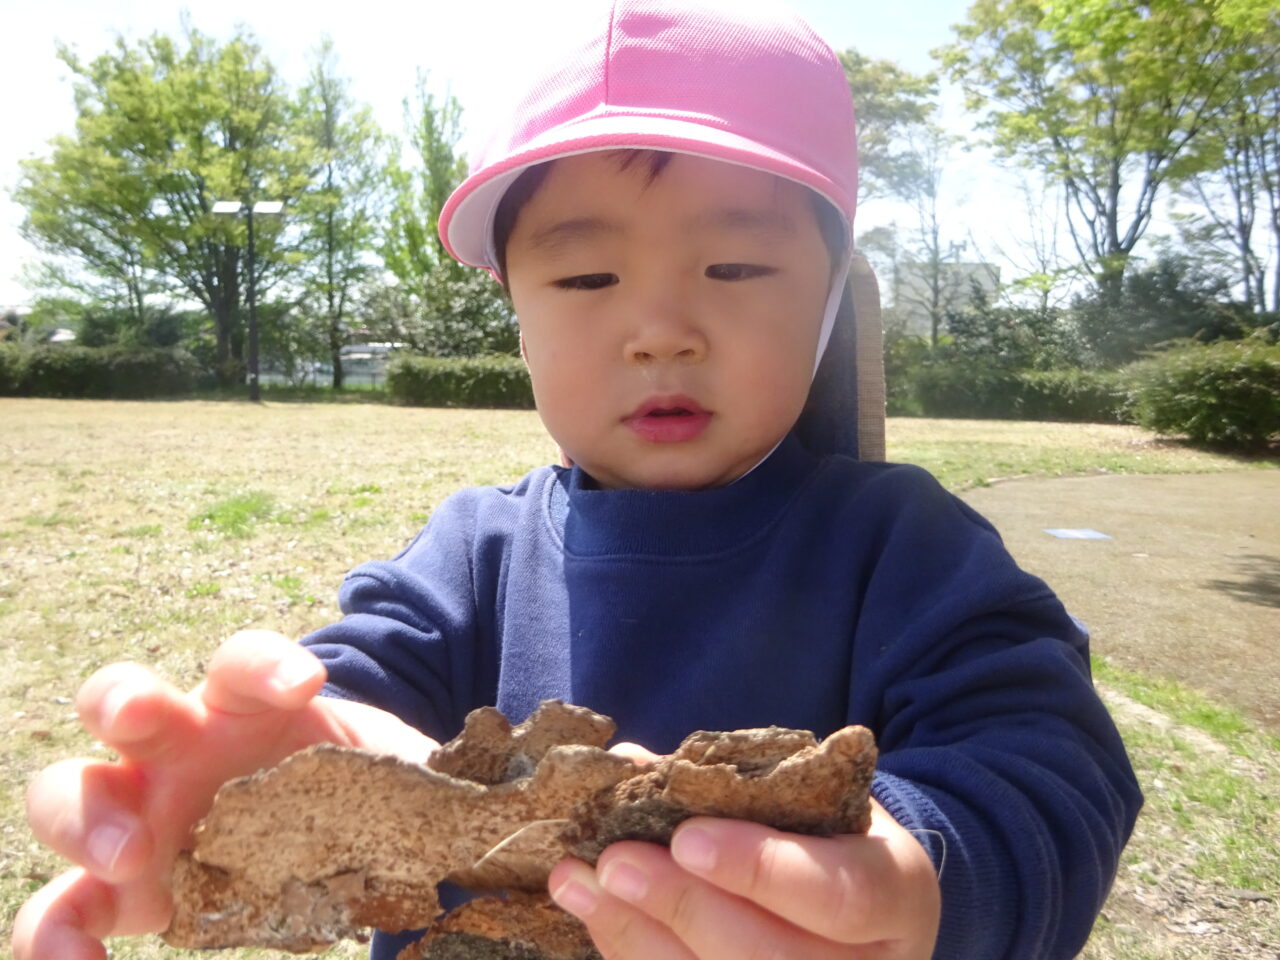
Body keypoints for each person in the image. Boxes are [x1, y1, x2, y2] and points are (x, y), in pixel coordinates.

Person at [13, 2, 1142, 959]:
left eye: (736, 264)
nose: (659, 331)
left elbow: (1049, 761)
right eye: (586, 277)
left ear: (829, 298)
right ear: (517, 316)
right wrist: (272, 758)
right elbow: (355, 692)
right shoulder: (473, 556)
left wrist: (920, 875)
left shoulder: (903, 547)